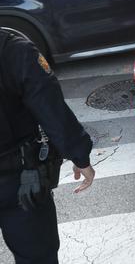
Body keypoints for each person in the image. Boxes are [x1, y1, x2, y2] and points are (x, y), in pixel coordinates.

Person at [0, 29, 96, 262]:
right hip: (20, 178)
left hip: (19, 177)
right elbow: (49, 105)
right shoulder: (11, 48)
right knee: (38, 257)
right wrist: (79, 155)